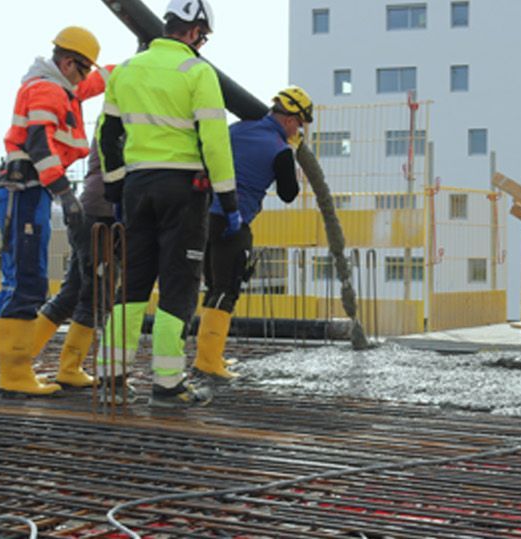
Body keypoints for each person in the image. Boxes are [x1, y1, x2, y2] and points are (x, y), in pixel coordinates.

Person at [96, 0, 235, 408]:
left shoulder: (126, 69)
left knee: (133, 285)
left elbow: (108, 136)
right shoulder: (198, 72)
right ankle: (169, 385)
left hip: (138, 187)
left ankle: (111, 381)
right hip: (184, 190)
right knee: (178, 285)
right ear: (194, 32)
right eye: (202, 38)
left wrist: (117, 190)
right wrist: (228, 200)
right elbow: (214, 141)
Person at [0, 26, 107, 398]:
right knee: (23, 280)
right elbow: (39, 146)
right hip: (26, 189)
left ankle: (19, 370)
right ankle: (14, 374)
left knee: (32, 278)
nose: (86, 78)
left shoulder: (62, 87)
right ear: (69, 63)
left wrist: (137, 60)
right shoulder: (45, 89)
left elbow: (96, 83)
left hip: (32, 191)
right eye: (84, 70)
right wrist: (65, 194)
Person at [192, 87, 311, 384]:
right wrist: (292, 155)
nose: (299, 129)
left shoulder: (237, 130)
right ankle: (207, 362)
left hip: (203, 218)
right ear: (289, 119)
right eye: (299, 123)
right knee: (227, 289)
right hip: (234, 223)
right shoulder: (280, 149)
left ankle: (209, 355)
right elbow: (288, 194)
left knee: (212, 286)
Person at [23, 143, 118, 392]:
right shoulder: (128, 119)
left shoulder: (113, 116)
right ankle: (69, 369)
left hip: (87, 212)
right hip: (103, 215)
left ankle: (19, 364)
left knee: (72, 293)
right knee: (96, 295)